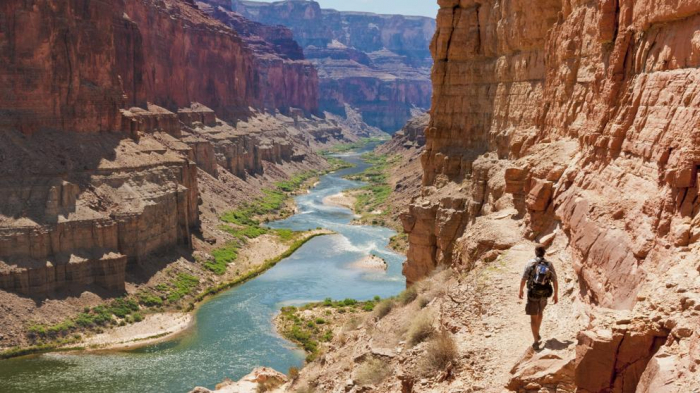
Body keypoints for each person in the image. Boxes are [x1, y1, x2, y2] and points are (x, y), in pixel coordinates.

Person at [518, 244, 558, 349]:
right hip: (544, 293)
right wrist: (556, 295)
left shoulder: (530, 263)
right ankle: (537, 332)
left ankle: (536, 341)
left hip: (533, 293)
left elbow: (524, 278)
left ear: (535, 252)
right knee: (540, 312)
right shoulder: (549, 264)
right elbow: (555, 280)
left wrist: (520, 290)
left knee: (533, 317)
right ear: (544, 253)